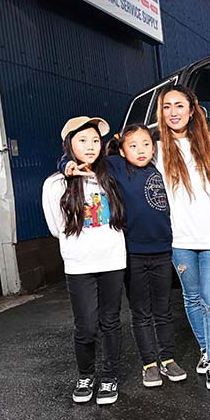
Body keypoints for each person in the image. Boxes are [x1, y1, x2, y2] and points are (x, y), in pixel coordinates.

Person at [63, 123, 188, 388]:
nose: (141, 150)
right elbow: (85, 155)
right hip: (132, 254)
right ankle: (149, 364)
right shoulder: (116, 168)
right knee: (141, 311)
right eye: (133, 145)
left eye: (146, 144)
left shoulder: (160, 168)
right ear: (121, 150)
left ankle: (168, 358)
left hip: (163, 250)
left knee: (164, 309)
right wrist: (66, 163)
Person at [155, 84, 210, 390]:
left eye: (179, 105)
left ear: (192, 110)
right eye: (166, 107)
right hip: (180, 238)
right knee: (191, 297)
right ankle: (204, 349)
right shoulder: (158, 150)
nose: (173, 112)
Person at [41, 116, 125, 405]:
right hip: (79, 264)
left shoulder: (111, 175)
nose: (90, 146)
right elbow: (55, 227)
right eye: (82, 140)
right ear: (69, 146)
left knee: (110, 321)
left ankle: (110, 376)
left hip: (113, 260)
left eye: (95, 140)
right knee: (86, 325)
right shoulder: (55, 184)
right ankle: (86, 375)